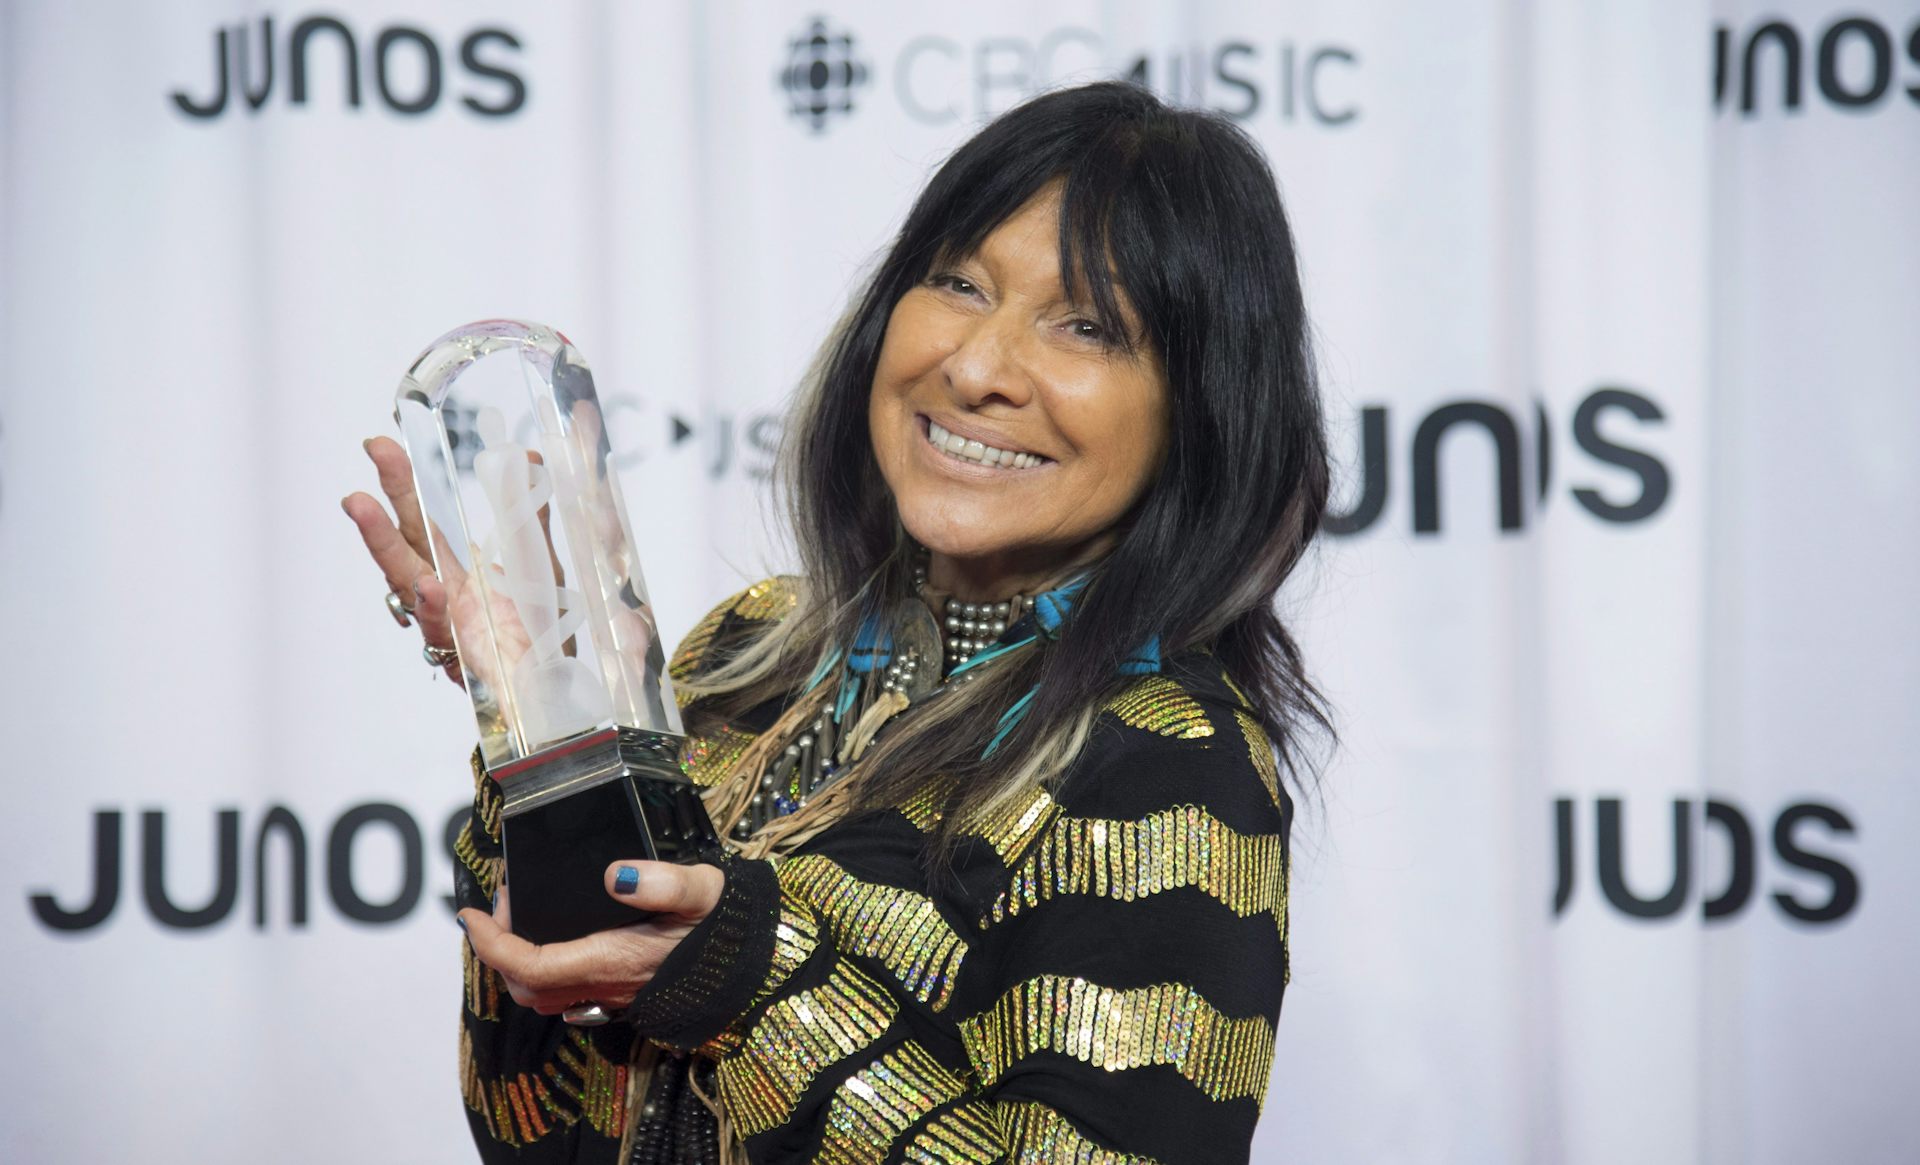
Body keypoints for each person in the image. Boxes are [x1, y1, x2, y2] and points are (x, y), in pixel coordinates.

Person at [344, 80, 1333, 1165]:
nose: (975, 366)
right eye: (958, 282)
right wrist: (546, 731)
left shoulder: (1171, 760)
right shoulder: (747, 654)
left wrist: (742, 974)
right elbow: (544, 1137)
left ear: (1201, 410)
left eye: (1086, 325)